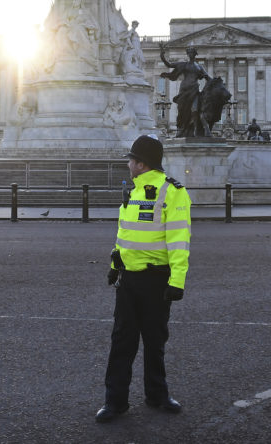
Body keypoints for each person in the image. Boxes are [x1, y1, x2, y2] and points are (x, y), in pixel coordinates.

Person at [97, 135, 191, 423]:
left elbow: (178, 241)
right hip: (128, 280)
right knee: (122, 342)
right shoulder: (134, 191)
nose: (128, 163)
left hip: (156, 280)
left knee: (154, 341)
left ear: (141, 163)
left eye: (131, 159)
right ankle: (115, 401)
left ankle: (157, 394)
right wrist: (115, 262)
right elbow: (126, 234)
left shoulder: (172, 192)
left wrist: (177, 281)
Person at [160, 46, 210, 138]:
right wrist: (162, 56)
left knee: (195, 109)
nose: (190, 55)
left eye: (192, 53)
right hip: (184, 90)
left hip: (194, 89)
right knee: (182, 109)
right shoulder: (184, 65)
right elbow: (169, 65)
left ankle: (195, 129)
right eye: (189, 53)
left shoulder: (199, 67)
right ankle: (181, 129)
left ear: (195, 54)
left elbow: (208, 78)